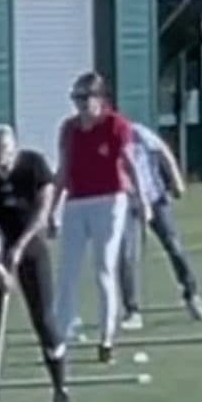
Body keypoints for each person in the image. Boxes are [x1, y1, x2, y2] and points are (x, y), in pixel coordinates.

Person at [0, 125, 71, 402]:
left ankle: (60, 388)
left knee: (44, 319)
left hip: (31, 247)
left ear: (14, 150)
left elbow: (43, 214)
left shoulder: (34, 165)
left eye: (6, 160)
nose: (2, 167)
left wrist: (20, 247)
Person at [51, 71, 143, 365]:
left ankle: (106, 338)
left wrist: (141, 200)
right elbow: (63, 170)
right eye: (75, 98)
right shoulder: (69, 129)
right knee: (67, 272)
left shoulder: (117, 125)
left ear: (100, 99)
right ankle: (61, 337)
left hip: (111, 199)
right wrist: (53, 209)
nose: (79, 104)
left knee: (104, 266)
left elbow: (129, 164)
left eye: (84, 98)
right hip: (77, 202)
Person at [118, 118, 202, 328]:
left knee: (174, 246)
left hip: (155, 197)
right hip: (126, 202)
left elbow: (163, 152)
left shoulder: (137, 132)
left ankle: (192, 295)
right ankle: (132, 310)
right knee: (126, 256)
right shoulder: (102, 138)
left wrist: (176, 179)